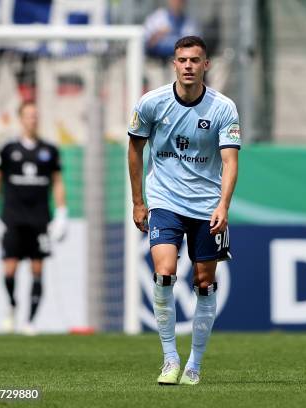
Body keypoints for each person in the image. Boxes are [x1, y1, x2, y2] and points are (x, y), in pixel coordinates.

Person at [127, 36, 240, 385]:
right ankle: (169, 359)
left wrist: (223, 205)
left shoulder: (223, 108)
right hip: (165, 201)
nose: (188, 66)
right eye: (182, 60)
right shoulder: (151, 103)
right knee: (164, 271)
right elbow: (134, 150)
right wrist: (138, 201)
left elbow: (230, 161)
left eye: (195, 60)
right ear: (173, 64)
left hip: (207, 206)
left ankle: (194, 363)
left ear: (206, 65)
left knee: (204, 281)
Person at [0, 100, 68, 335]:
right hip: (12, 217)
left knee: (37, 269)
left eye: (35, 115)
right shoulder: (7, 149)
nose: (32, 119)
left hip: (40, 219)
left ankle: (30, 321)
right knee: (9, 270)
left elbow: (58, 182)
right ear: (20, 118)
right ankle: (12, 305)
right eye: (28, 115)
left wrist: (61, 213)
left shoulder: (49, 150)